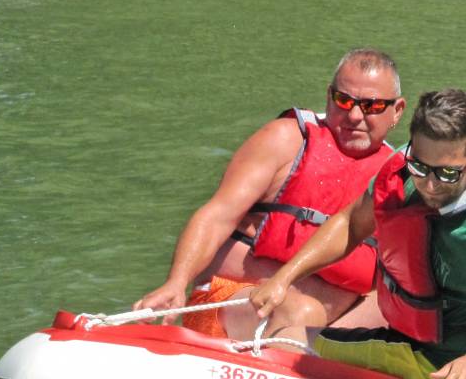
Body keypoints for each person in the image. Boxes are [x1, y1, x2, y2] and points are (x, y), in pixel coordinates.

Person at [248, 88, 466, 379]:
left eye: (447, 174)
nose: (429, 184)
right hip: (406, 334)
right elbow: (350, 224)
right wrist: (285, 277)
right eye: (420, 166)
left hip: (441, 366)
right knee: (290, 322)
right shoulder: (410, 165)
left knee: (286, 341)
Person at [132, 49, 405, 339]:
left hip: (329, 322)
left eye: (371, 106)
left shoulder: (402, 178)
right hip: (234, 303)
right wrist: (176, 282)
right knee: (300, 315)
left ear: (397, 111)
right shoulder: (284, 139)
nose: (354, 115)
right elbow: (216, 216)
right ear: (329, 96)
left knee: (394, 316)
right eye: (344, 100)